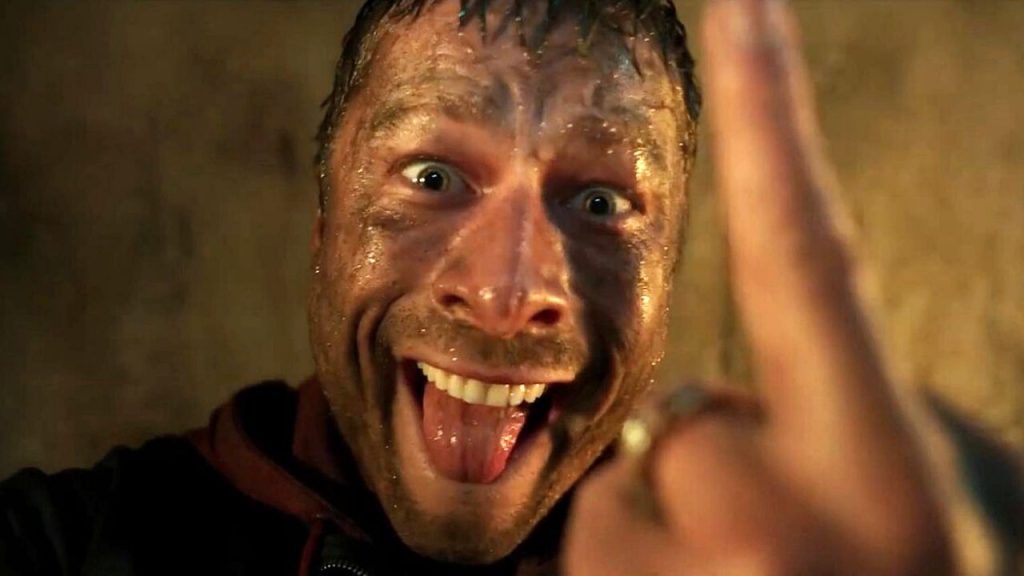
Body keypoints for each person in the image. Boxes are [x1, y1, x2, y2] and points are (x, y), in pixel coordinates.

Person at [1, 0, 1020, 574]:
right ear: (323, 230)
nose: (507, 293)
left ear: (666, 277)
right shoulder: (65, 548)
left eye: (602, 203)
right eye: (432, 177)